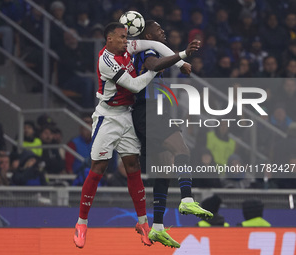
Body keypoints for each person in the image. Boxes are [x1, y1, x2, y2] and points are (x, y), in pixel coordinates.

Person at [74, 22, 192, 248]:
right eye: (120, 38)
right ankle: (81, 223)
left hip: (126, 115)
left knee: (133, 167)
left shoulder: (127, 47)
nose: (125, 41)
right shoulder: (106, 60)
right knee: (98, 167)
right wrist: (154, 70)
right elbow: (135, 85)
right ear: (109, 40)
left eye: (126, 37)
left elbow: (155, 44)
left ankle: (143, 224)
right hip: (108, 117)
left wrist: (183, 58)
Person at [132, 20, 212, 248]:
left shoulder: (151, 48)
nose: (163, 31)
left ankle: (157, 227)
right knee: (182, 149)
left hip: (145, 112)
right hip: (148, 112)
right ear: (148, 33)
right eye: (159, 29)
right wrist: (183, 55)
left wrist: (178, 62)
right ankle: (187, 199)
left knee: (164, 167)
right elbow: (152, 64)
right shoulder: (148, 49)